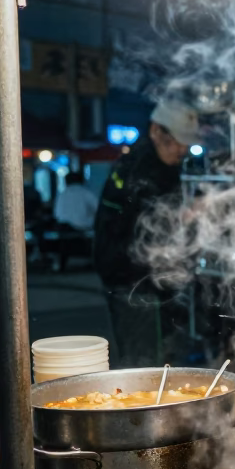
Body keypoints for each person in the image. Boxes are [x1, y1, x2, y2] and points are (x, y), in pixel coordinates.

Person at [94, 100, 199, 367]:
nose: (183, 149)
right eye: (176, 141)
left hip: (157, 282)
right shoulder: (137, 170)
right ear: (155, 131)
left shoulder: (167, 165)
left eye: (187, 143)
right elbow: (141, 232)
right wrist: (183, 216)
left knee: (167, 362)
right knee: (145, 366)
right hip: (133, 282)